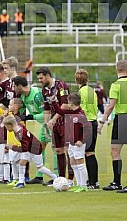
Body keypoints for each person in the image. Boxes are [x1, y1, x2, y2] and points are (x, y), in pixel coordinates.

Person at [12, 75, 58, 186]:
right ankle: (39, 176)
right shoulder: (23, 97)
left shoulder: (37, 95)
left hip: (53, 123)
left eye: (14, 86)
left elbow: (47, 113)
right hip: (44, 125)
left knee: (56, 149)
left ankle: (57, 176)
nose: (13, 89)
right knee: (40, 148)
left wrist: (30, 117)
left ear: (20, 86)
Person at [36, 67, 74, 185]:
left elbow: (65, 105)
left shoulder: (61, 86)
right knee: (58, 150)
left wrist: (54, 119)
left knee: (69, 151)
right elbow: (47, 109)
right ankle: (62, 179)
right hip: (55, 123)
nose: (40, 80)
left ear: (48, 76)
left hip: (66, 121)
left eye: (41, 78)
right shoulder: (44, 90)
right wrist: (46, 125)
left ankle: (71, 179)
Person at [50, 93, 92, 192]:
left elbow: (88, 129)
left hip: (78, 143)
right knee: (73, 162)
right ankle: (78, 184)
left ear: (71, 103)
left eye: (68, 102)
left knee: (80, 163)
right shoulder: (71, 112)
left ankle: (83, 185)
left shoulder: (80, 115)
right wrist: (53, 102)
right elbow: (59, 111)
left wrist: (81, 141)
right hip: (71, 143)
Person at [3, 115, 58, 189]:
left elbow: (24, 148)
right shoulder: (18, 129)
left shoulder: (20, 133)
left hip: (35, 149)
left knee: (40, 168)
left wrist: (12, 147)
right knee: (22, 163)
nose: (6, 128)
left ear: (10, 125)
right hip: (29, 148)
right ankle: (21, 182)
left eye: (6, 126)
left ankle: (56, 178)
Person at [98, 60, 127, 192]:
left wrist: (102, 122)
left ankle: (117, 182)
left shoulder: (116, 85)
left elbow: (110, 106)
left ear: (117, 70)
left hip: (122, 119)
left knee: (115, 151)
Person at [75, 69, 99, 189]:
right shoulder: (92, 90)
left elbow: (81, 110)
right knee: (90, 152)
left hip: (87, 123)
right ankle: (93, 180)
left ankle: (93, 182)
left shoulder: (80, 93)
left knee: (88, 152)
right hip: (94, 121)